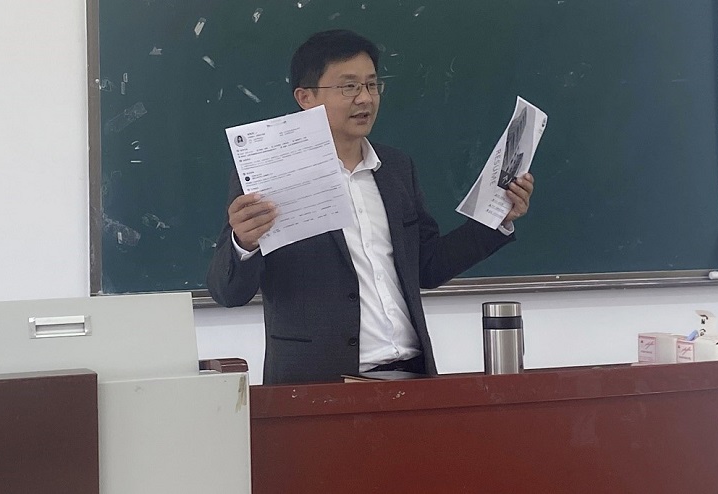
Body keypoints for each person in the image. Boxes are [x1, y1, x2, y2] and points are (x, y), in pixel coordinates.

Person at [207, 29, 534, 385]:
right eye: (348, 87)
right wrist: (244, 243)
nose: (364, 98)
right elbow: (227, 292)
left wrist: (495, 219)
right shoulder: (267, 176)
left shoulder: (396, 169)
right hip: (319, 384)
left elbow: (427, 267)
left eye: (372, 85)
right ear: (305, 97)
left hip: (412, 376)